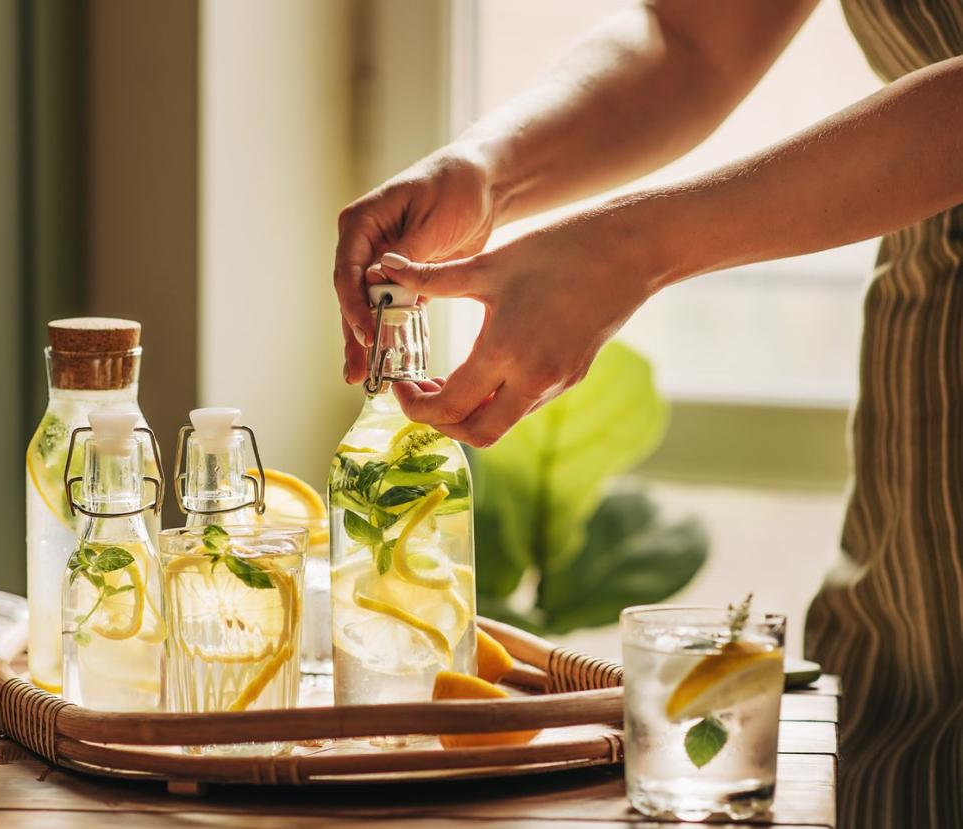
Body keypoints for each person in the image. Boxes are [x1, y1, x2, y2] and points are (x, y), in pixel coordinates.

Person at [332, 1, 962, 826]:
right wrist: (489, 171)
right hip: (932, 380)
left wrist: (631, 250)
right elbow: (692, 38)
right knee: (908, 733)